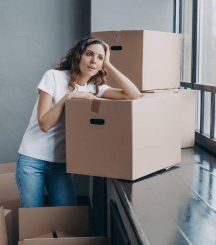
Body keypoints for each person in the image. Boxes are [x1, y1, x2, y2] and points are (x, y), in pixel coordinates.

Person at [15, 36, 141, 208]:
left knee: (67, 217)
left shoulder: (94, 89)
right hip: (32, 159)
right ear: (79, 55)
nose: (93, 61)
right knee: (32, 217)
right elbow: (44, 124)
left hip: (61, 162)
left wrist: (109, 64)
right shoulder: (53, 77)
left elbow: (133, 94)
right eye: (89, 54)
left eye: (99, 58)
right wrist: (69, 97)